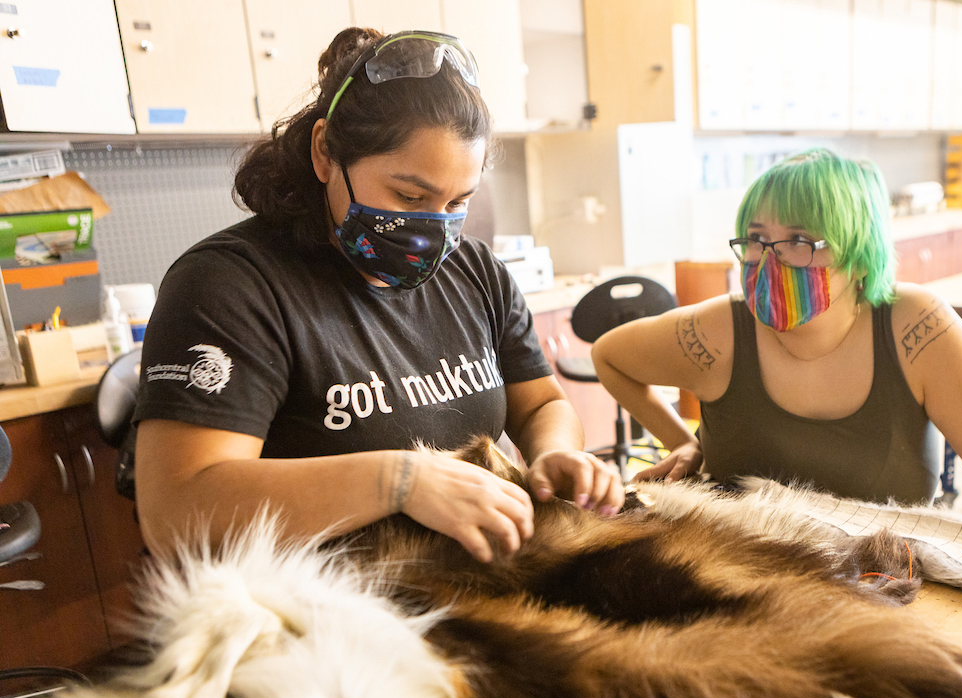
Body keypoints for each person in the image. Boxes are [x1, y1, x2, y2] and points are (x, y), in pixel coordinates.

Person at [134, 28, 623, 563]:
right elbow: (176, 512)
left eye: (458, 201)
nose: (434, 229)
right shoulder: (229, 288)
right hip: (328, 605)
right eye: (409, 195)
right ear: (325, 154)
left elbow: (542, 405)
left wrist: (553, 453)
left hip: (476, 583)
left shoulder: (476, 273)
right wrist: (398, 481)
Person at [591, 148, 962, 521]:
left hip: (887, 592)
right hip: (742, 586)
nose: (770, 260)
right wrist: (686, 443)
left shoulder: (916, 328)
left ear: (861, 255)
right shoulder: (720, 332)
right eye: (756, 239)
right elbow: (609, 356)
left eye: (799, 241)